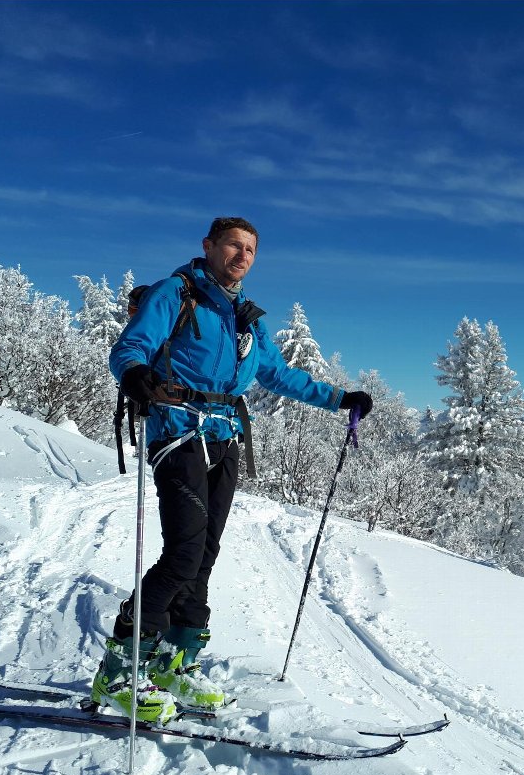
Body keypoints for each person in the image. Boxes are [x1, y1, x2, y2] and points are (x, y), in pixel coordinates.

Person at [93, 217, 372, 723]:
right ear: (209, 247)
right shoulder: (175, 294)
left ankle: (176, 663)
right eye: (233, 246)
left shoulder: (245, 317)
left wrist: (337, 398)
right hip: (178, 431)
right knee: (182, 553)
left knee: (205, 555)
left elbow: (275, 373)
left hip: (224, 439)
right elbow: (130, 347)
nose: (242, 256)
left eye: (250, 249)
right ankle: (119, 672)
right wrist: (135, 375)